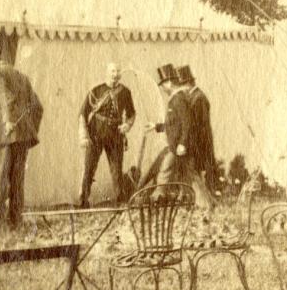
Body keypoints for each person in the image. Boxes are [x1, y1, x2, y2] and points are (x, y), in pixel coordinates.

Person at [0, 44, 43, 234]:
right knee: (17, 180)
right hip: (23, 137)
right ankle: (15, 222)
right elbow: (38, 106)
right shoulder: (21, 76)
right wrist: (28, 130)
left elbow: (6, 99)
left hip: (5, 135)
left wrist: (7, 121)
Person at [147, 64, 212, 208]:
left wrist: (182, 143)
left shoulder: (179, 99)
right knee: (190, 175)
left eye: (163, 84)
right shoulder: (176, 98)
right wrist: (156, 127)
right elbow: (174, 124)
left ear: (169, 83)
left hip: (178, 147)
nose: (162, 87)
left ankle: (156, 198)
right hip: (176, 147)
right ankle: (206, 204)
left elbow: (187, 123)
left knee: (167, 170)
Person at [79, 62, 136, 207]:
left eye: (117, 71)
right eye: (112, 71)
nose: (115, 74)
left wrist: (127, 125)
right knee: (89, 169)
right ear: (106, 72)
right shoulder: (96, 90)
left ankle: (120, 203)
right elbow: (82, 114)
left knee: (117, 170)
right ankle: (83, 202)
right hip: (95, 135)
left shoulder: (125, 92)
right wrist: (83, 136)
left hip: (115, 136)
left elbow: (131, 114)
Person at [178, 65, 218, 194]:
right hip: (197, 141)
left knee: (201, 170)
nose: (181, 90)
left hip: (201, 142)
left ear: (188, 84)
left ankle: (208, 199)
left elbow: (200, 125)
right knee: (196, 171)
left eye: (181, 86)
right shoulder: (194, 97)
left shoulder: (199, 98)